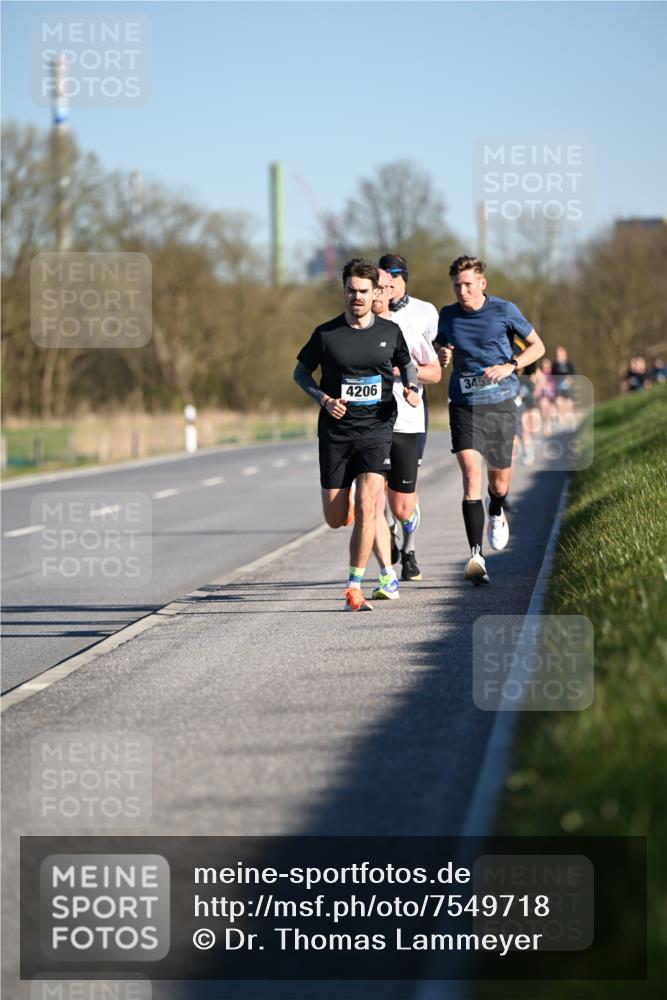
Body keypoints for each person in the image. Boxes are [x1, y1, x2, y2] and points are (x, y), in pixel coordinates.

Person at [293, 258, 420, 611]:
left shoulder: (389, 332)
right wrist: (322, 398)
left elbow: (407, 364)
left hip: (376, 429)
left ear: (375, 292)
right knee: (336, 518)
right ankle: (357, 521)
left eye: (364, 291)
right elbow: (300, 373)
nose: (357, 297)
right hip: (335, 434)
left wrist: (411, 388)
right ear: (344, 291)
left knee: (369, 505)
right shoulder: (326, 333)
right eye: (351, 290)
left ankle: (355, 585)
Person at [435, 255, 545, 585]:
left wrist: (511, 365)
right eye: (457, 285)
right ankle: (476, 556)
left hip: (500, 404)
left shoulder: (504, 310)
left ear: (482, 284)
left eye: (468, 284)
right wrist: (442, 353)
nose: (462, 291)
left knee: (498, 483)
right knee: (470, 472)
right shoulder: (448, 314)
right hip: (464, 404)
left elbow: (537, 347)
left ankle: (496, 508)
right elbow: (441, 343)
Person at [368, 266, 441, 596]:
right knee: (370, 501)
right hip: (367, 426)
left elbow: (436, 372)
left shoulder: (411, 325)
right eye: (375, 287)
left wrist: (405, 375)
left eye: (385, 287)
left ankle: (407, 543)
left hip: (407, 424)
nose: (380, 293)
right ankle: (386, 573)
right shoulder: (355, 329)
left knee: (401, 507)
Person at [552, 346, 577, 428]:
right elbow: (552, 376)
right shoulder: (555, 365)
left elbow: (574, 375)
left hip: (568, 388)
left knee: (569, 404)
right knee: (559, 403)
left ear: (565, 354)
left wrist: (570, 379)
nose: (559, 356)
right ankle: (562, 423)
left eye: (560, 354)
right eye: (557, 355)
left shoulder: (569, 364)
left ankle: (568, 423)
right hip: (558, 388)